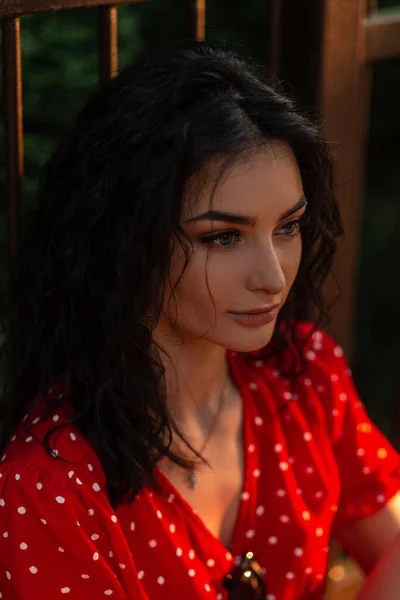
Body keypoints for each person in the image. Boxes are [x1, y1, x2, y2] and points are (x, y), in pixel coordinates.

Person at [0, 41, 399, 600]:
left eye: (287, 227)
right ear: (127, 242)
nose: (273, 276)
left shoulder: (304, 373)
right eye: (225, 237)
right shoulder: (50, 485)